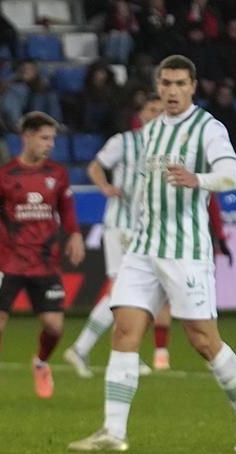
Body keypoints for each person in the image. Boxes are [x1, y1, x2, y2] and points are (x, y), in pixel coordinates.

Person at [67, 55, 236, 453]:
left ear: (193, 86)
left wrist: (198, 179)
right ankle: (114, 432)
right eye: (166, 83)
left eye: (179, 84)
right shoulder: (150, 133)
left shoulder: (208, 128)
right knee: (124, 330)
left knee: (204, 340)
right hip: (142, 249)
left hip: (185, 251)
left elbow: (231, 175)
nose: (172, 91)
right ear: (158, 87)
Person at [0, 111, 84, 402]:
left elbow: (67, 210)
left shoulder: (58, 174)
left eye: (52, 139)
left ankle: (40, 362)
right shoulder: (2, 176)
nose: (50, 144)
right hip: (9, 260)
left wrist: (74, 235)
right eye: (44, 138)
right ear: (27, 137)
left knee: (54, 325)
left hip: (45, 262)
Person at [63, 97, 165, 378]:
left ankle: (118, 351)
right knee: (122, 292)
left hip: (146, 229)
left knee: (140, 293)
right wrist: (105, 187)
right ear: (141, 114)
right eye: (152, 110)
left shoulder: (166, 148)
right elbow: (95, 167)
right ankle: (89, 349)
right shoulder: (125, 142)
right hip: (120, 227)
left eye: (161, 110)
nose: (157, 114)